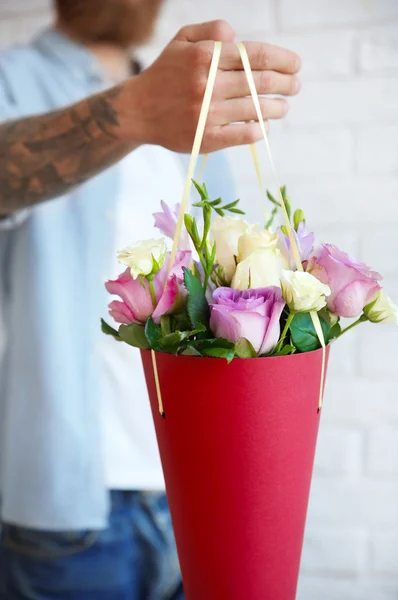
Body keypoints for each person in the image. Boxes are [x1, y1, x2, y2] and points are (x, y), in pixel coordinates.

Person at [0, 3, 301, 599]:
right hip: (69, 506)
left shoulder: (201, 107)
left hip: (202, 487)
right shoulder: (14, 77)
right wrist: (134, 111)